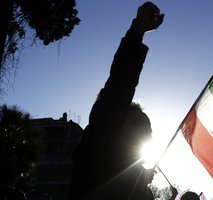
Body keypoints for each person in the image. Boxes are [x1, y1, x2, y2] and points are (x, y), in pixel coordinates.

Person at [69, 2, 167, 200]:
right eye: (141, 126)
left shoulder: (134, 178)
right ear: (115, 122)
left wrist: (139, 178)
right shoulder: (99, 153)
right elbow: (121, 83)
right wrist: (138, 30)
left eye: (148, 129)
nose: (148, 133)